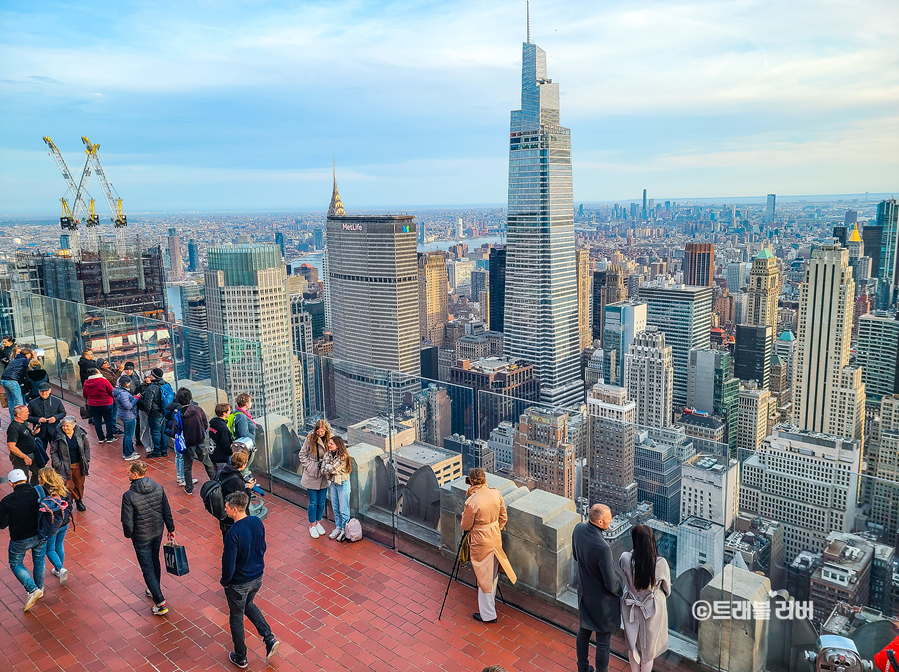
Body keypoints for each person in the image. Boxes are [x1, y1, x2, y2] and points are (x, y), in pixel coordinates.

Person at [221, 491, 280, 668]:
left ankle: (241, 656)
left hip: (239, 582)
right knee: (249, 605)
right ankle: (268, 637)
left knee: (236, 617)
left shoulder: (233, 533)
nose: (225, 509)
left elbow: (228, 563)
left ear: (234, 510)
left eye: (227, 507)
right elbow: (263, 546)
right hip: (257, 576)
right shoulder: (257, 522)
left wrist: (225, 581)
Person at [460, 467, 517, 624]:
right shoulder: (496, 493)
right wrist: (494, 529)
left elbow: (465, 526)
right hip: (495, 537)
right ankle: (489, 608)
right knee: (491, 574)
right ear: (484, 479)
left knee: (484, 577)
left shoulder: (471, 502)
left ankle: (488, 614)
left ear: (471, 481)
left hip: (480, 541)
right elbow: (503, 517)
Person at [121, 460, 175, 616]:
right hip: (157, 531)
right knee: (154, 560)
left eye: (129, 471)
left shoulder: (129, 495)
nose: (127, 473)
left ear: (135, 474)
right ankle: (154, 588)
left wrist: (129, 534)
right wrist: (171, 528)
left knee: (147, 568)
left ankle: (160, 602)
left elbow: (127, 521)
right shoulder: (158, 487)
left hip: (141, 536)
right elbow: (166, 509)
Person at [572, 504, 622, 672]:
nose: (611, 520)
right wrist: (620, 588)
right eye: (609, 518)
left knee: (584, 631)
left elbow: (576, 556)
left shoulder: (578, 529)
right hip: (601, 603)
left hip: (584, 592)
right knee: (602, 641)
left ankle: (583, 668)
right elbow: (611, 584)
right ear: (600, 522)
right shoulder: (603, 548)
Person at [620, 524, 671, 672]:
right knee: (648, 651)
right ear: (652, 541)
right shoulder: (660, 564)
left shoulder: (625, 558)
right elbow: (667, 589)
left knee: (633, 644)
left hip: (630, 607)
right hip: (651, 608)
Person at [0, 468, 45, 611]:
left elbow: (2, 524)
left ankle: (32, 589)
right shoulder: (38, 492)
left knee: (15, 563)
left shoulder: (7, 501)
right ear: (26, 479)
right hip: (40, 533)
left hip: (20, 539)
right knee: (39, 560)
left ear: (11, 483)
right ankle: (39, 588)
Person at [37, 466, 73, 587]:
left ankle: (60, 568)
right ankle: (59, 570)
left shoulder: (43, 491)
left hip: (52, 524)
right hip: (64, 521)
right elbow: (70, 504)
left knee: (49, 549)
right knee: (59, 545)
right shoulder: (61, 487)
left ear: (43, 479)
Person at [50, 416, 91, 511]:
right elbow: (53, 451)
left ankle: (79, 500)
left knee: (79, 483)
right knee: (68, 484)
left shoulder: (81, 434)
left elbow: (86, 448)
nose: (65, 428)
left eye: (67, 426)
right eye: (63, 426)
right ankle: (70, 501)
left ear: (73, 426)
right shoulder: (58, 435)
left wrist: (87, 460)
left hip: (78, 464)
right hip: (64, 465)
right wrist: (58, 464)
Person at [299, 419, 331, 539]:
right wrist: (310, 466)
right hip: (312, 473)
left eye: (322, 431)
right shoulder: (310, 438)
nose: (320, 434)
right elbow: (302, 454)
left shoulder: (329, 440)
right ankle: (312, 525)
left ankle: (318, 522)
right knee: (313, 501)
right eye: (318, 431)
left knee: (322, 501)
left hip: (323, 473)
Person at [217, 448, 254, 539]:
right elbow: (244, 503)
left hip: (224, 514)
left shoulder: (221, 473)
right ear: (243, 465)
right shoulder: (237, 482)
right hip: (234, 519)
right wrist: (248, 489)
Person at [178, 388, 209, 494]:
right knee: (206, 461)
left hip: (187, 443)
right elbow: (205, 423)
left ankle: (189, 488)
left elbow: (175, 429)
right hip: (199, 440)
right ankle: (215, 481)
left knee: (187, 466)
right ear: (190, 399)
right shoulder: (198, 409)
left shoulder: (178, 414)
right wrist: (201, 432)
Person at [322, 435, 351, 541]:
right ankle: (338, 527)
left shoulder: (343, 456)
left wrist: (328, 466)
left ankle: (345, 529)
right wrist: (330, 467)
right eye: (329, 443)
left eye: (331, 444)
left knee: (344, 509)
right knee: (335, 507)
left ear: (338, 445)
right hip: (333, 483)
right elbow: (323, 470)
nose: (329, 445)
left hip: (342, 483)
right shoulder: (328, 453)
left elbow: (333, 469)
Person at [138, 368, 172, 458]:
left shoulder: (152, 388)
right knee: (164, 432)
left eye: (151, 375)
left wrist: (148, 412)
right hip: (165, 412)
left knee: (155, 432)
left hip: (155, 413)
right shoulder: (167, 384)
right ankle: (164, 450)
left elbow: (147, 403)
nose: (150, 376)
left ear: (154, 376)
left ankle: (157, 451)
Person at [7, 404, 39, 484]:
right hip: (20, 458)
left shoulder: (23, 422)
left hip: (30, 454)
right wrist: (25, 457)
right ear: (18, 415)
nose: (28, 413)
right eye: (26, 412)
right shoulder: (13, 428)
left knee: (38, 472)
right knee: (22, 478)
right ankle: (25, 492)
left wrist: (33, 432)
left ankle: (33, 488)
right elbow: (11, 447)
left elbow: (24, 435)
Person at [83, 367, 116, 443]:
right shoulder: (103, 381)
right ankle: (109, 437)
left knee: (97, 421)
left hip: (93, 405)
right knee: (108, 420)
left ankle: (101, 438)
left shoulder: (86, 382)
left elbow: (85, 395)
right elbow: (112, 392)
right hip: (106, 403)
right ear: (96, 373)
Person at [113, 375, 141, 461]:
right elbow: (128, 406)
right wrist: (136, 398)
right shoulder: (123, 394)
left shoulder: (118, 391)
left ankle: (129, 451)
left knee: (127, 434)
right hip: (129, 416)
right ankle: (128, 454)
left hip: (124, 415)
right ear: (125, 384)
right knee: (129, 435)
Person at [2, 347, 33, 421]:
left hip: (4, 380)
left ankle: (13, 419)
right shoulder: (24, 360)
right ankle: (21, 420)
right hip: (12, 380)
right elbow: (29, 369)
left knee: (10, 401)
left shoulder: (14, 360)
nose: (31, 356)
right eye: (30, 354)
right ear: (27, 354)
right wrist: (35, 358)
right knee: (19, 401)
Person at [96, 359, 124, 435]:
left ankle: (113, 428)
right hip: (111, 395)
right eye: (105, 363)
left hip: (114, 393)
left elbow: (115, 372)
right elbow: (114, 380)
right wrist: (120, 371)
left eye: (107, 361)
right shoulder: (103, 373)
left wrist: (119, 368)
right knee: (113, 413)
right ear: (101, 365)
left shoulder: (109, 369)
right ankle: (113, 429)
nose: (107, 363)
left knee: (114, 412)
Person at [208, 402, 234, 475]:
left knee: (216, 475)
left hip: (213, 454)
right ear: (224, 413)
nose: (230, 412)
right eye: (228, 411)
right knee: (223, 476)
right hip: (222, 457)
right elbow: (225, 443)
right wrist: (231, 452)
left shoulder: (213, 424)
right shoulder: (222, 427)